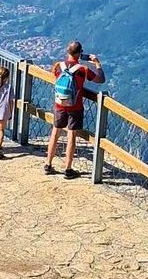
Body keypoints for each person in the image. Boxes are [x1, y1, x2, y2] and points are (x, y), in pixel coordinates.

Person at [45, 41, 105, 178]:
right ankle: (68, 169)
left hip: (59, 104)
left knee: (55, 133)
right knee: (71, 135)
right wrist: (97, 63)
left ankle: (48, 164)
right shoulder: (82, 69)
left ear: (67, 52)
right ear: (79, 53)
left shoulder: (58, 66)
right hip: (75, 106)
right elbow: (101, 79)